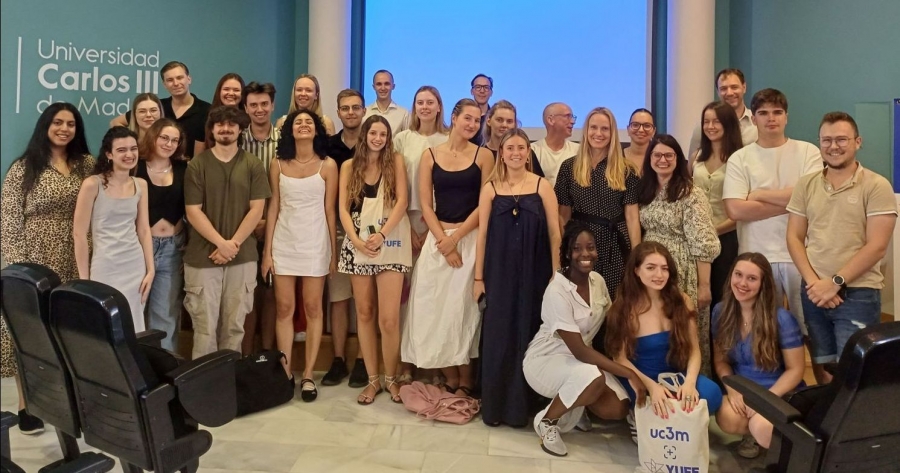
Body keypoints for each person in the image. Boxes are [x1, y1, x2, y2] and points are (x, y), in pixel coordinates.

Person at [1, 102, 94, 435]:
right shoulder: (24, 167)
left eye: (71, 123)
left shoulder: (87, 165)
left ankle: (70, 404)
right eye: (58, 122)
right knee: (30, 335)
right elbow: (9, 219)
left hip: (75, 257)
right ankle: (28, 405)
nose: (64, 128)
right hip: (34, 262)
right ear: (46, 125)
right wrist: (18, 270)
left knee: (69, 335)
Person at [786, 111, 897, 384]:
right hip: (813, 291)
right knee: (822, 367)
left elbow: (877, 247)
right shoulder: (807, 184)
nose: (833, 146)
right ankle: (826, 424)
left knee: (854, 372)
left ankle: (852, 427)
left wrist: (835, 282)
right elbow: (794, 237)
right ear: (819, 143)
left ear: (857, 142)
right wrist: (815, 284)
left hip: (858, 294)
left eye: (841, 140)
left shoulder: (877, 185)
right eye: (827, 140)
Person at [523, 223, 644, 456]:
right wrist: (628, 373)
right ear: (568, 253)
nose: (585, 254)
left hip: (582, 363)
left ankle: (576, 408)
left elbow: (611, 317)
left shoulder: (597, 281)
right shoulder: (556, 291)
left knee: (617, 407)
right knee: (594, 377)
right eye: (577, 248)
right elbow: (579, 351)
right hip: (547, 360)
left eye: (590, 248)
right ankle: (547, 421)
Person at [402, 98, 494, 396]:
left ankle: (466, 379)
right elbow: (425, 204)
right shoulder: (430, 155)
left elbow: (484, 204)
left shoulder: (484, 156)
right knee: (432, 308)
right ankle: (448, 373)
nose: (472, 124)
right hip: (437, 239)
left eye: (477, 120)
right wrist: (443, 239)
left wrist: (456, 239)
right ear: (453, 118)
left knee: (462, 311)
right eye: (467, 118)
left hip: (469, 240)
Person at [474, 128, 561, 427]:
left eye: (521, 148)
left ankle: (523, 407)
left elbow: (554, 232)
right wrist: (478, 278)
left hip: (534, 274)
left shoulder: (541, 186)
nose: (515, 153)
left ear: (528, 152)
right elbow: (482, 234)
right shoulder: (490, 188)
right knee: (499, 336)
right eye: (509, 147)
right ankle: (496, 407)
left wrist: (556, 273)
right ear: (502, 152)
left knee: (528, 332)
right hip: (498, 274)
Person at [723, 88, 822, 340]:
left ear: (786, 117)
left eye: (777, 112)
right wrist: (794, 201)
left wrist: (758, 194)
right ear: (753, 118)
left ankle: (822, 380)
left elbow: (813, 197)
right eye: (763, 113)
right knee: (765, 329)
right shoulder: (740, 158)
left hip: (802, 253)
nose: (771, 118)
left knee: (812, 329)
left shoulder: (808, 151)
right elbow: (735, 209)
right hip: (756, 254)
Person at [605, 242, 723, 443]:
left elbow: (695, 350)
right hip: (639, 377)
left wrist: (689, 384)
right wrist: (651, 386)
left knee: (712, 393)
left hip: (674, 376)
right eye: (651, 268)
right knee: (653, 401)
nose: (659, 274)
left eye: (664, 268)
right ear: (636, 271)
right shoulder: (624, 307)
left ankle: (673, 417)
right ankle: (641, 414)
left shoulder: (682, 300)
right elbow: (620, 359)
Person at [261, 108, 338, 401]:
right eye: (297, 122)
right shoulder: (277, 164)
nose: (303, 125)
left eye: (308, 122)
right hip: (284, 242)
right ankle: (286, 371)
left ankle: (308, 374)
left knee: (313, 308)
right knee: (283, 309)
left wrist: (332, 251)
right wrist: (267, 253)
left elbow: (330, 211)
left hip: (316, 244)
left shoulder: (328, 165)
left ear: (317, 129)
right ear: (290, 130)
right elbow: (274, 207)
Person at [183, 106, 270, 359]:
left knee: (234, 328)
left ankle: (227, 387)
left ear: (240, 129)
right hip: (202, 257)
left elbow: (257, 210)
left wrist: (232, 245)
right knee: (204, 329)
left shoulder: (253, 165)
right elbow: (193, 211)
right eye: (219, 124)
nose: (225, 128)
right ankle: (204, 392)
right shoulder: (197, 166)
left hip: (242, 258)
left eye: (231, 124)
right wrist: (222, 244)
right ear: (211, 129)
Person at [338, 115, 411, 404]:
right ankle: (372, 380)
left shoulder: (396, 162)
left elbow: (402, 201)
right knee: (365, 313)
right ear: (365, 134)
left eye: (383, 133)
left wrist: (381, 235)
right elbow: (342, 208)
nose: (378, 138)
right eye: (373, 132)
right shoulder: (348, 166)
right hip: (358, 245)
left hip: (389, 244)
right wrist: (355, 240)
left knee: (389, 319)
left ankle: (391, 378)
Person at [637, 134, 720, 374]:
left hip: (680, 267)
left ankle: (692, 383)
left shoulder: (690, 192)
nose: (662, 160)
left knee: (681, 327)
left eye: (669, 155)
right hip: (649, 267)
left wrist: (704, 286)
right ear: (649, 158)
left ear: (678, 159)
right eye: (657, 155)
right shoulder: (646, 189)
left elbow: (704, 242)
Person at [712, 253, 805, 459]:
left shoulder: (781, 318)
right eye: (738, 275)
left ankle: (785, 452)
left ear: (763, 284)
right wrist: (732, 388)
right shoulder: (720, 312)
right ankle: (754, 433)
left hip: (777, 390)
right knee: (727, 416)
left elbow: (796, 370)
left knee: (761, 425)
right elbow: (721, 361)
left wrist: (766, 400)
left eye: (752, 278)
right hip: (745, 388)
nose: (742, 283)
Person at [555, 107, 641, 311]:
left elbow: (632, 216)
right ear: (586, 131)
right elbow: (563, 214)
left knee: (614, 305)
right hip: (580, 244)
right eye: (594, 127)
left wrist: (637, 255)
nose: (599, 133)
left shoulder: (626, 169)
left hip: (614, 244)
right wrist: (562, 250)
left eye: (605, 129)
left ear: (613, 134)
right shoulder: (569, 167)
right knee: (581, 303)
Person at [392, 85, 449, 386]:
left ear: (439, 107)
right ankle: (405, 362)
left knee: (431, 295)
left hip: (438, 225)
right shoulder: (402, 139)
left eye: (431, 102)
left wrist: (430, 229)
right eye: (420, 102)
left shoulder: (449, 139)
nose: (425, 107)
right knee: (403, 297)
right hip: (404, 221)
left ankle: (433, 361)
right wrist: (407, 225)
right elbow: (394, 185)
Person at [73, 126, 154, 332]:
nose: (129, 154)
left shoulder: (141, 184)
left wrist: (150, 269)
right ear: (109, 154)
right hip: (105, 266)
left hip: (135, 267)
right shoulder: (93, 184)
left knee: (133, 327)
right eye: (121, 150)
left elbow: (144, 230)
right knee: (103, 328)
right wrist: (85, 280)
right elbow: (79, 234)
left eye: (133, 148)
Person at [323, 89, 366, 387]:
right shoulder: (328, 147)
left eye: (355, 108)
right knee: (339, 298)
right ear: (338, 113)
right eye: (345, 108)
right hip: (338, 229)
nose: (350, 112)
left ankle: (364, 361)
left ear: (364, 111)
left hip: (370, 233)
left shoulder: (375, 143)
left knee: (365, 302)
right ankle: (338, 360)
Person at [135, 118, 189, 352]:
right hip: (137, 248)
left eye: (175, 140)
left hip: (172, 249)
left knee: (165, 313)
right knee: (135, 310)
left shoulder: (184, 169)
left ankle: (165, 373)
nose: (169, 143)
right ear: (153, 137)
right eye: (164, 138)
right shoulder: (135, 166)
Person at [240, 81, 280, 355]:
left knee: (271, 293)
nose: (259, 109)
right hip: (241, 228)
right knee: (246, 294)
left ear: (272, 105)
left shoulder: (285, 140)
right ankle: (244, 356)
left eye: (264, 104)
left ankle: (267, 354)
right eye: (253, 104)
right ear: (245, 107)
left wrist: (268, 221)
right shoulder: (238, 139)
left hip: (278, 225)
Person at [693, 101, 744, 307]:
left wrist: (712, 230)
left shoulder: (740, 158)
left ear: (728, 124)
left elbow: (741, 208)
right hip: (697, 239)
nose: (710, 126)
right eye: (706, 121)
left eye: (716, 121)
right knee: (699, 295)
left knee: (723, 297)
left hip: (728, 238)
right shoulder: (697, 156)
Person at [111, 61, 211, 158]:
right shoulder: (157, 107)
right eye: (170, 80)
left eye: (180, 78)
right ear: (164, 84)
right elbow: (115, 122)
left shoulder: (207, 110)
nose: (176, 83)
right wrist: (135, 141)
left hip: (186, 169)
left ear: (189, 79)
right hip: (153, 165)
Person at [687, 68, 758, 159]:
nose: (729, 93)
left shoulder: (757, 124)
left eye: (734, 87)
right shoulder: (704, 127)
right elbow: (693, 163)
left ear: (744, 88)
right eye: (723, 89)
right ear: (718, 92)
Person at [480, 100, 544, 177]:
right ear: (489, 121)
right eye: (499, 120)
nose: (504, 125)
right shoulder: (480, 154)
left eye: (509, 121)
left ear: (515, 124)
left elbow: (540, 183)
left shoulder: (524, 153)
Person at [531, 102, 579, 187]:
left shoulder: (578, 151)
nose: (572, 122)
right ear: (550, 120)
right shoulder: (533, 150)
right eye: (567, 116)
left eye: (572, 117)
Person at [363, 69, 409, 134]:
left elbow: (407, 140)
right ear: (374, 87)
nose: (383, 88)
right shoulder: (365, 113)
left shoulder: (404, 114)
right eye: (379, 84)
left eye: (387, 84)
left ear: (393, 86)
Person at [623, 108, 656, 174]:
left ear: (654, 131)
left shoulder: (659, 158)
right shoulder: (615, 157)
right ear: (628, 129)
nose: (641, 130)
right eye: (635, 125)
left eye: (647, 126)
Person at [469, 74, 493, 146]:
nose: (482, 91)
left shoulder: (494, 118)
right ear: (472, 91)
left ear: (491, 92)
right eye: (478, 87)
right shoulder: (464, 116)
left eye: (486, 87)